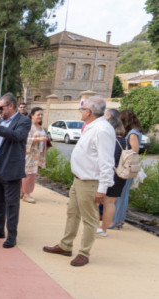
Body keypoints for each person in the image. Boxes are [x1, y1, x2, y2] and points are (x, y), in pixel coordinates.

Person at [43, 96, 115, 267]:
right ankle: (66, 246)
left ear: (89, 112)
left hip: (90, 181)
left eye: (82, 110)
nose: (80, 112)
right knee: (72, 214)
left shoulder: (102, 130)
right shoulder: (92, 127)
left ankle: (84, 253)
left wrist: (102, 189)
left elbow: (107, 162)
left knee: (89, 219)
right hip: (80, 179)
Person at [0, 92, 32, 249]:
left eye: (1, 108)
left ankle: (11, 236)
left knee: (11, 204)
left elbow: (17, 136)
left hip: (11, 167)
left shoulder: (23, 121)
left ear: (11, 106)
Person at [110, 110, 144, 229]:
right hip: (129, 167)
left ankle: (117, 221)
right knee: (122, 194)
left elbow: (134, 150)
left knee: (121, 195)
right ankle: (118, 220)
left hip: (126, 167)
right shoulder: (136, 131)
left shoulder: (133, 133)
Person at [97, 116, 127, 237]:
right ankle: (104, 230)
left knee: (96, 201)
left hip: (109, 174)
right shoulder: (126, 142)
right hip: (121, 175)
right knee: (111, 203)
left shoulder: (112, 141)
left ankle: (96, 227)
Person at [21, 107, 49, 204]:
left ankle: (22, 192)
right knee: (28, 174)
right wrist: (39, 139)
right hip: (29, 154)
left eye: (42, 114)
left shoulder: (40, 127)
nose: (40, 116)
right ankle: (26, 194)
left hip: (37, 154)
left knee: (32, 174)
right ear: (32, 115)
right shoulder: (29, 126)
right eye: (38, 114)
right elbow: (25, 139)